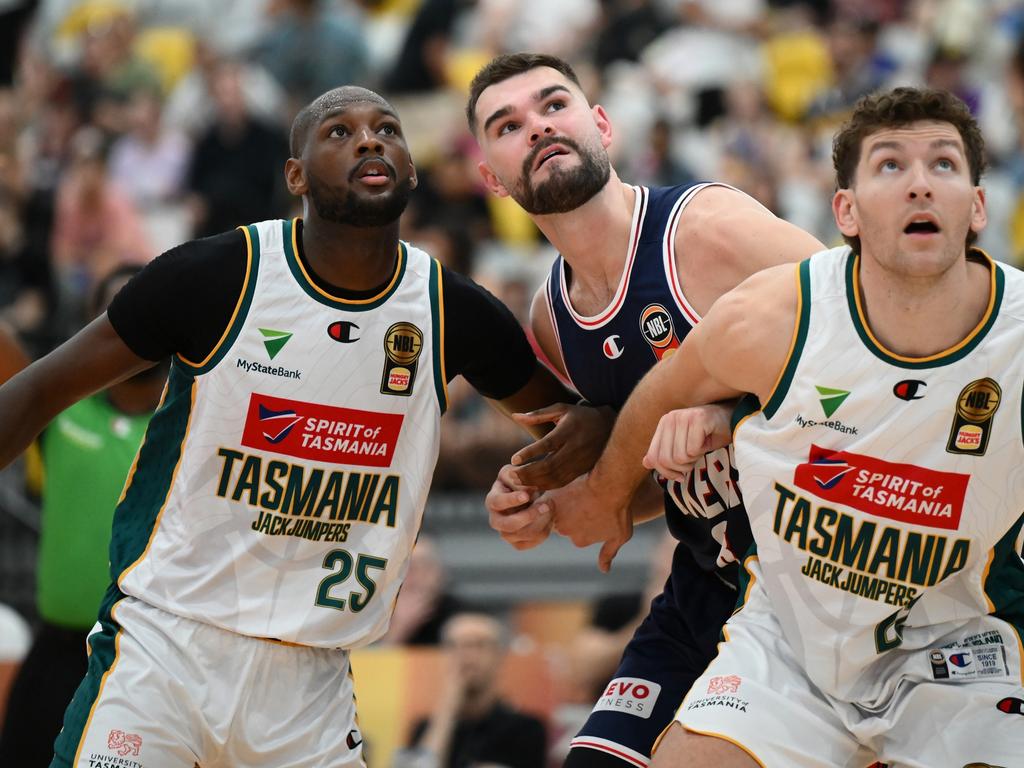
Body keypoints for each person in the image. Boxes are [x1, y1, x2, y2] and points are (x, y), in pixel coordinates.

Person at [0, 84, 601, 768]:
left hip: (310, 682)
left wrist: (579, 490)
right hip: (165, 652)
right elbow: (39, 387)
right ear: (295, 175)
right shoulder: (218, 276)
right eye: (339, 132)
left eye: (387, 130)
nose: (370, 140)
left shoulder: (449, 310)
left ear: (409, 169)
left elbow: (575, 431)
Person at [545, 87, 1024, 767]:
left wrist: (724, 418)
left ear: (977, 205)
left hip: (955, 645)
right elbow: (661, 391)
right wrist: (606, 492)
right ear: (846, 211)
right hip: (793, 643)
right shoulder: (776, 314)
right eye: (891, 165)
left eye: (943, 165)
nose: (920, 185)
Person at [466, 52, 824, 767]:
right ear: (493, 179)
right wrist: (551, 499)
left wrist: (729, 415)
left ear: (602, 125)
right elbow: (658, 475)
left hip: (812, 576)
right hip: (703, 587)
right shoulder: (551, 322)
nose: (537, 128)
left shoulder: (707, 228)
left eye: (553, 105)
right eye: (508, 125)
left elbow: (865, 339)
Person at [0, 265, 167, 766]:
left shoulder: (192, 422)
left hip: (146, 663)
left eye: (152, 312)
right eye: (122, 312)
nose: (139, 329)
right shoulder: (57, 407)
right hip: (55, 651)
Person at [397, 612, 547, 768]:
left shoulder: (525, 729)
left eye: (479, 645)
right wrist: (447, 709)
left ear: (499, 656)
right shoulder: (425, 728)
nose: (467, 655)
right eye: (456, 645)